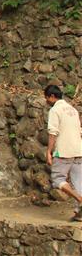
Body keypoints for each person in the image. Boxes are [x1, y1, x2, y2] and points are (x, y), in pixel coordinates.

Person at [45, 84, 82, 221]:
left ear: (52, 97)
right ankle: (80, 213)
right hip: (78, 150)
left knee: (57, 179)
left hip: (64, 151)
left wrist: (49, 151)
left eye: (47, 98)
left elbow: (53, 132)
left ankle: (80, 199)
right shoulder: (73, 110)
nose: (46, 101)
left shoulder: (55, 110)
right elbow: (79, 131)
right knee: (79, 182)